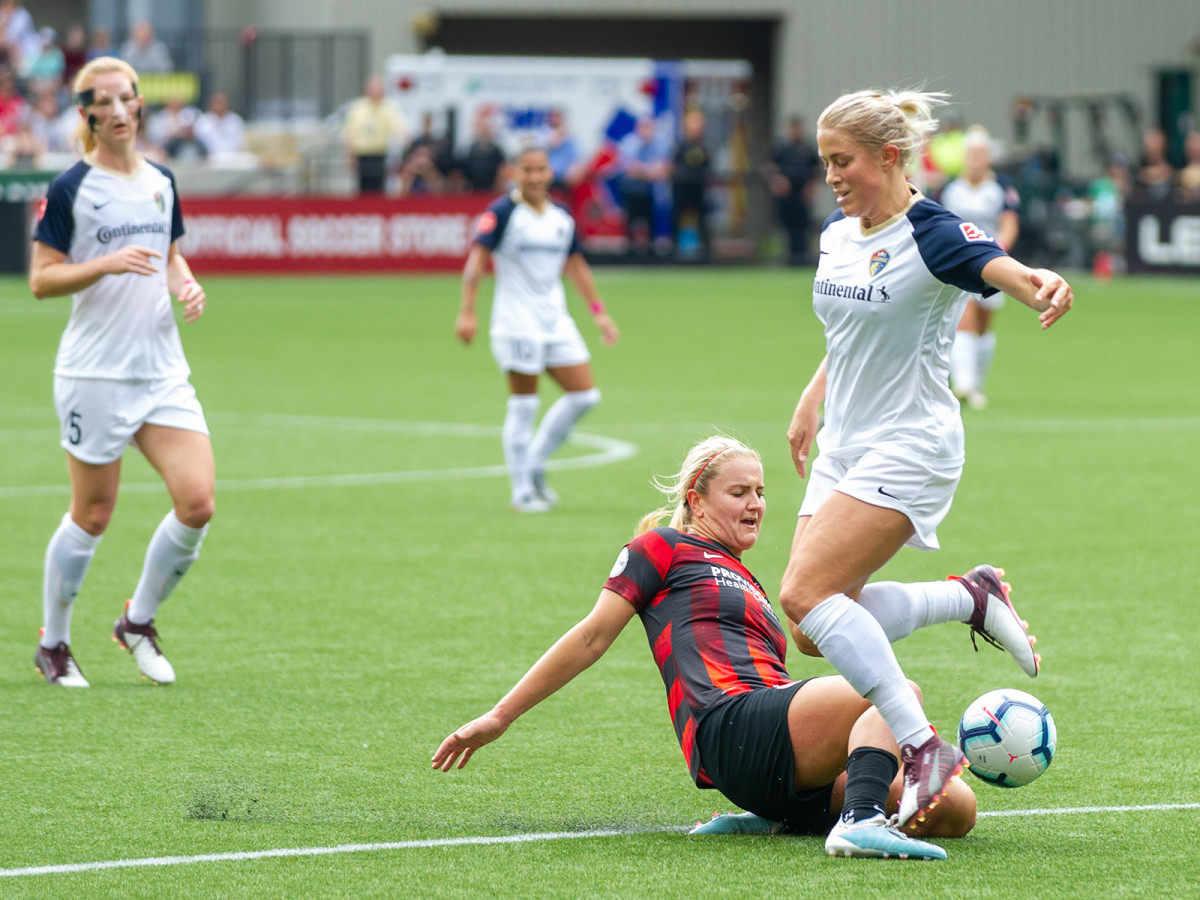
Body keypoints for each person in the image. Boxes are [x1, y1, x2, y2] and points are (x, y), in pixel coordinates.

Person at [433, 436, 976, 859]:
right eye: (739, 492)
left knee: (956, 809)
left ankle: (775, 818)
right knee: (893, 691)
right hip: (730, 727)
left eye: (761, 492)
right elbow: (591, 636)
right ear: (696, 499)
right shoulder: (660, 548)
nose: (756, 504)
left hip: (779, 755)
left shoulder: (748, 580)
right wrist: (500, 716)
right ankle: (858, 825)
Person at [779, 88, 1073, 830]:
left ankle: (921, 746)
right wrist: (814, 397)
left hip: (911, 444)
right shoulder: (837, 232)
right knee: (814, 630)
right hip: (844, 442)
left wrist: (1041, 282)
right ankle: (969, 597)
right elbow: (848, 326)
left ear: (890, 156)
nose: (832, 177)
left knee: (806, 593)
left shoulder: (932, 231)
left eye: (843, 162)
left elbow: (999, 266)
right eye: (825, 163)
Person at [28, 56, 213, 687]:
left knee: (197, 502)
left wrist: (186, 285)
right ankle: (53, 642)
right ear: (85, 114)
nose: (115, 109)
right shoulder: (71, 188)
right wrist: (104, 264)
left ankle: (137, 621)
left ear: (139, 105)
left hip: (161, 369)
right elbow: (41, 279)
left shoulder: (162, 180)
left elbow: (171, 259)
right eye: (100, 101)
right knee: (94, 514)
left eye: (125, 97)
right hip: (96, 372)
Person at [455, 145, 619, 513]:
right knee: (524, 404)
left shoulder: (561, 216)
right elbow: (476, 261)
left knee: (585, 396)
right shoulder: (502, 213)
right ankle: (522, 491)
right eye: (527, 170)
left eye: (540, 170)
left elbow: (577, 266)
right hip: (516, 324)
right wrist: (467, 311)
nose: (534, 177)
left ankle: (535, 462)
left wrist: (599, 313)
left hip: (556, 321)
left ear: (549, 173)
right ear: (514, 172)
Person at [940, 127, 1021, 409]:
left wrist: (996, 253)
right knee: (966, 317)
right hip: (960, 263)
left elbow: (1009, 223)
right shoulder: (949, 188)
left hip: (991, 261)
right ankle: (964, 385)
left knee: (984, 327)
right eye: (971, 153)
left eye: (980, 153)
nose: (976, 158)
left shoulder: (1001, 188)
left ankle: (976, 382)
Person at [762, 115, 821, 265]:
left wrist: (811, 187)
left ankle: (802, 257)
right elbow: (769, 167)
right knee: (785, 227)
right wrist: (777, 180)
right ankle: (786, 258)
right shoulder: (781, 148)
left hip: (802, 195)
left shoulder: (807, 149)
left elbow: (816, 169)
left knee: (803, 227)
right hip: (786, 195)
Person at [342, 74, 408, 194]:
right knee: (363, 188)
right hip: (362, 155)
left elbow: (399, 128)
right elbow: (349, 132)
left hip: (379, 155)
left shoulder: (388, 107)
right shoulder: (358, 107)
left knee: (378, 188)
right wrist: (350, 154)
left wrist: (405, 141)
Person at [617, 115, 672, 257]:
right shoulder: (629, 143)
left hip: (652, 191)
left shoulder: (661, 142)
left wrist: (645, 171)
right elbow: (630, 168)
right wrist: (650, 172)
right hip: (631, 189)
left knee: (652, 220)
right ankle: (629, 251)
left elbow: (665, 166)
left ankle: (653, 251)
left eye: (649, 127)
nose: (646, 131)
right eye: (644, 127)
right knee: (631, 220)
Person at [671, 108, 711, 262]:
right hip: (681, 189)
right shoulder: (680, 145)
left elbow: (708, 167)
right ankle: (676, 255)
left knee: (701, 221)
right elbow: (673, 165)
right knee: (677, 220)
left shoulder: (704, 146)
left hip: (698, 190)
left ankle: (705, 255)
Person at [193, 91, 247, 165]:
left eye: (222, 102)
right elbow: (199, 143)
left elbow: (240, 142)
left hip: (233, 157)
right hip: (209, 158)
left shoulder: (235, 120)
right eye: (217, 102)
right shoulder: (203, 121)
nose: (220, 105)